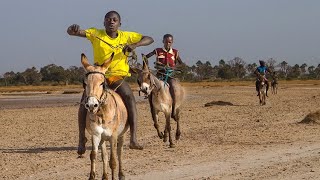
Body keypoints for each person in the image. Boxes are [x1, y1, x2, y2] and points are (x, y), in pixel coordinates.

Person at [67, 10, 154, 155]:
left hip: (117, 78)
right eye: (108, 19)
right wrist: (73, 30)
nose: (111, 22)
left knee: (129, 97)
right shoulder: (96, 34)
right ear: (104, 22)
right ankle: (81, 139)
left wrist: (135, 45)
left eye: (114, 20)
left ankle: (133, 138)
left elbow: (150, 39)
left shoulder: (127, 36)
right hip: (99, 76)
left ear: (120, 23)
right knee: (85, 101)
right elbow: (74, 32)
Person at [143, 34, 183, 116]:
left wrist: (174, 67)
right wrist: (144, 58)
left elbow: (181, 63)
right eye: (166, 42)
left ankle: (173, 110)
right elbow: (147, 57)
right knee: (150, 88)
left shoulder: (175, 52)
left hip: (170, 75)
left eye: (169, 42)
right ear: (163, 41)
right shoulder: (157, 50)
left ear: (172, 42)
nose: (168, 44)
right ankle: (152, 107)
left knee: (173, 87)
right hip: (159, 74)